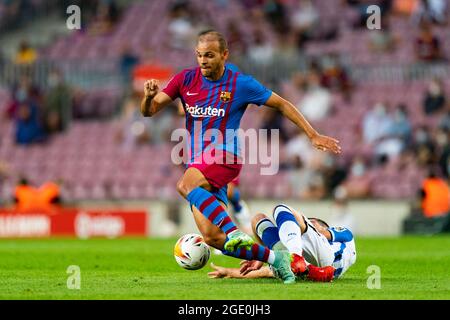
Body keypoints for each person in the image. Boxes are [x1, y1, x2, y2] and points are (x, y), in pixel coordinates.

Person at [140, 30, 341, 284]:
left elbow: (282, 104)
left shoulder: (240, 83)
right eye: (200, 55)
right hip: (199, 161)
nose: (203, 60)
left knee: (185, 185)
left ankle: (235, 230)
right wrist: (147, 97)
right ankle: (278, 260)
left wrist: (312, 135)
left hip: (226, 154)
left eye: (210, 55)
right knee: (213, 238)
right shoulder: (185, 79)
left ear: (224, 55)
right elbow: (149, 111)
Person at [208, 204, 357, 282]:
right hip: (310, 267)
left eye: (312, 223)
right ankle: (307, 268)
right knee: (258, 219)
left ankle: (296, 257)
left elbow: (344, 234)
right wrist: (229, 272)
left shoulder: (334, 235)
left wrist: (308, 227)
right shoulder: (298, 245)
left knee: (280, 209)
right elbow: (264, 273)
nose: (308, 224)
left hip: (325, 257)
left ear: (322, 226)